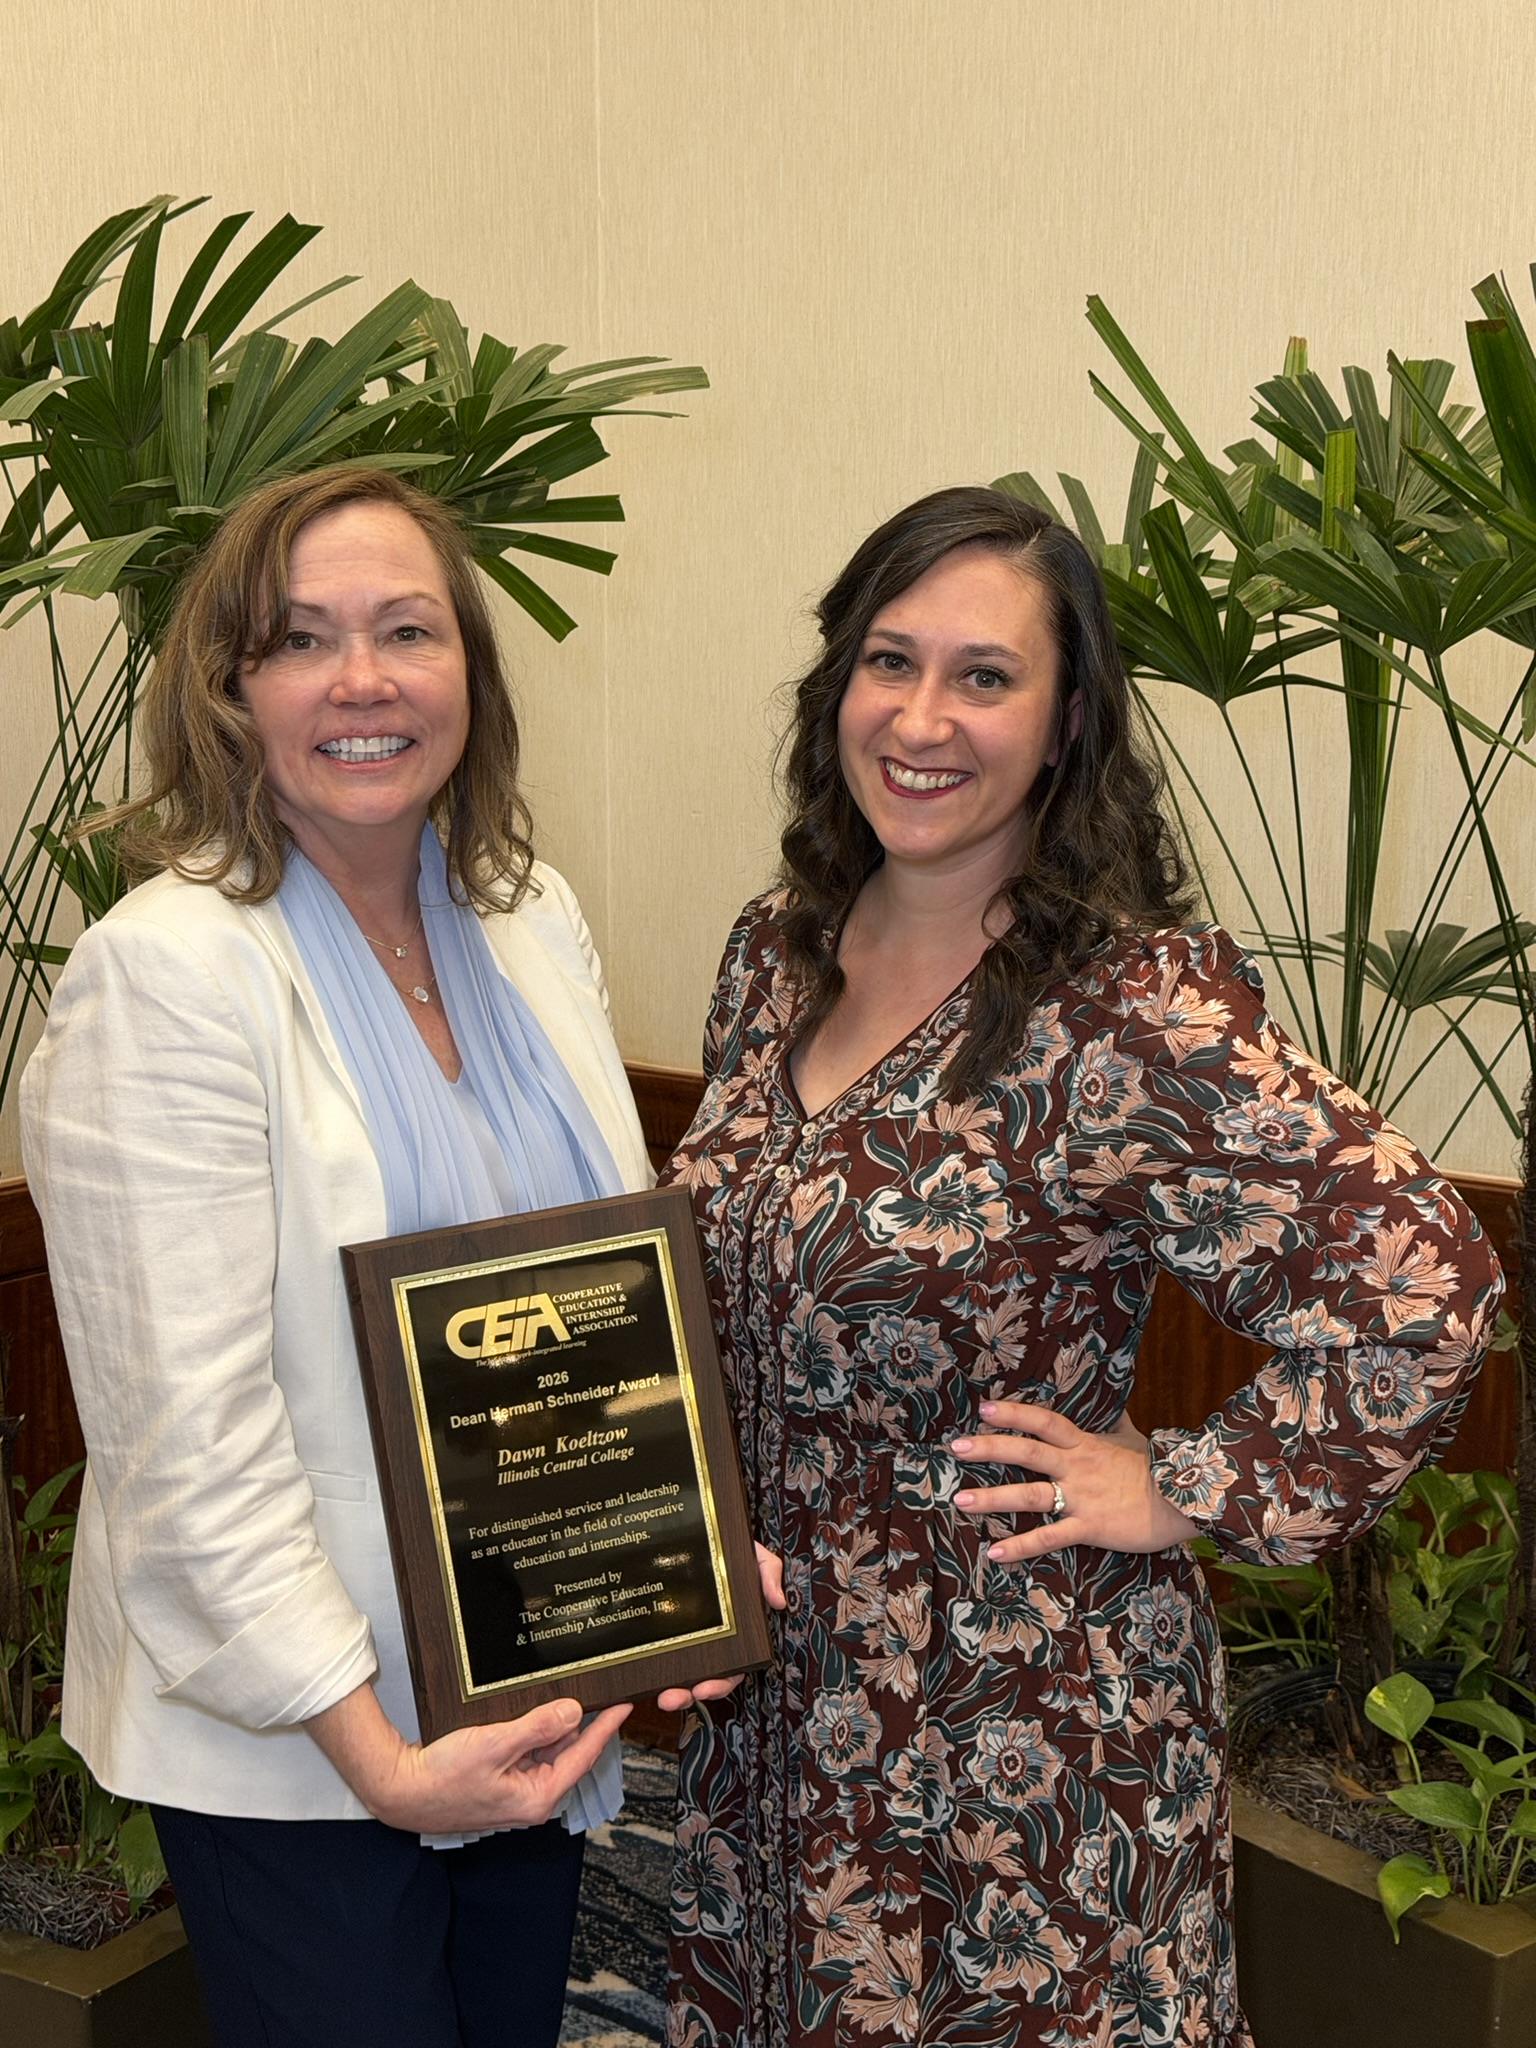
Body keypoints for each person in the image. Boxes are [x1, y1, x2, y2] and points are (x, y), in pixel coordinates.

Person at [661, 487, 1504, 2048]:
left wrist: (1183, 1482)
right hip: (774, 1707)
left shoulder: (1126, 1010)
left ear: (1064, 725)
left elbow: (1427, 1290)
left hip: (1017, 1730)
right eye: (889, 661)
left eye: (984, 676)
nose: (923, 718)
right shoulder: (773, 955)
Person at [20, 466, 646, 2048]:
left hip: (529, 1684)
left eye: (407, 630)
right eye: (301, 640)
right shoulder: (162, 975)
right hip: (303, 1747)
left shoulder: (529, 919)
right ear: (228, 690)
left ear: (469, 672)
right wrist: (380, 1759)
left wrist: (674, 1548)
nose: (363, 680)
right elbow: (185, 1445)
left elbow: (594, 1303)